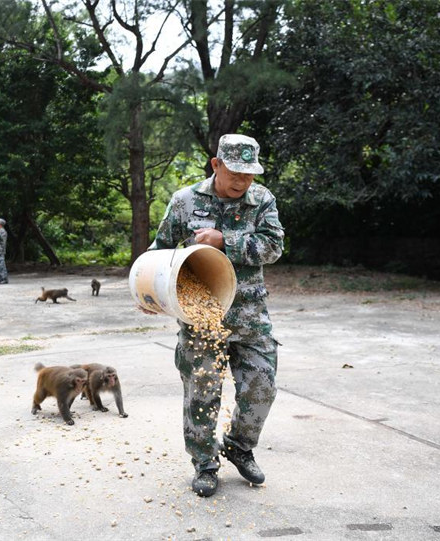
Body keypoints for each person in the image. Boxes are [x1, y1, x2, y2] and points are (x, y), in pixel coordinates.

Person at [148, 134, 285, 497]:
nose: (242, 181)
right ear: (216, 164)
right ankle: (205, 464)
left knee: (262, 386)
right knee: (202, 391)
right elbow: (158, 251)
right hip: (200, 316)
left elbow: (273, 247)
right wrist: (149, 291)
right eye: (235, 172)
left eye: (249, 174)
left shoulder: (262, 200)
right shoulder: (185, 201)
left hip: (250, 317)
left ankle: (239, 446)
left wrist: (226, 240)